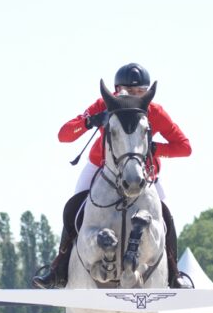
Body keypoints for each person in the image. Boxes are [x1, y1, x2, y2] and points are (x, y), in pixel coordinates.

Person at [32, 62, 193, 290]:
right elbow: (64, 135)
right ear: (116, 90)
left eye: (140, 92)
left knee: (166, 215)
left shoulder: (155, 111)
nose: (133, 96)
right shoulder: (103, 104)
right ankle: (59, 266)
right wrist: (89, 121)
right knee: (73, 206)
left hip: (142, 171)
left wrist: (153, 148)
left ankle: (174, 272)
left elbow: (184, 147)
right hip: (101, 167)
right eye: (127, 91)